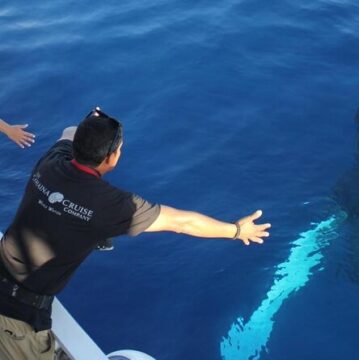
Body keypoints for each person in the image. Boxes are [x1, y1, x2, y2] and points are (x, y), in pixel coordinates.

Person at [0, 108, 271, 359]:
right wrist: (236, 230)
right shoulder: (112, 205)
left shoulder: (50, 164)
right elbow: (182, 222)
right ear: (112, 157)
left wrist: (90, 122)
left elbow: (68, 133)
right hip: (15, 318)